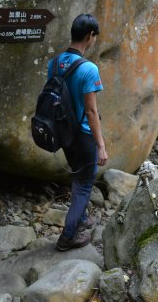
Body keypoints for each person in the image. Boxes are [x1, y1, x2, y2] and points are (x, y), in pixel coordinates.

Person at [50, 13, 108, 252]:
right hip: (84, 136)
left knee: (78, 178)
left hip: (64, 133)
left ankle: (82, 219)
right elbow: (92, 112)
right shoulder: (89, 69)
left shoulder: (54, 63)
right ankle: (68, 236)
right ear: (89, 36)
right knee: (84, 185)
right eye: (95, 36)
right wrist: (101, 145)